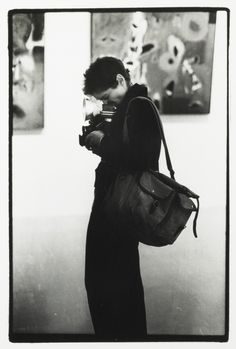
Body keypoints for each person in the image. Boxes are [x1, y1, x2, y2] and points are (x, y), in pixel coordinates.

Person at [83, 56, 161, 340]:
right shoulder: (127, 107)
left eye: (107, 97)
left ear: (120, 80)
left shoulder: (139, 107)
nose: (107, 105)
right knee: (108, 284)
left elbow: (142, 158)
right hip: (113, 208)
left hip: (119, 213)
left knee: (114, 288)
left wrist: (101, 141)